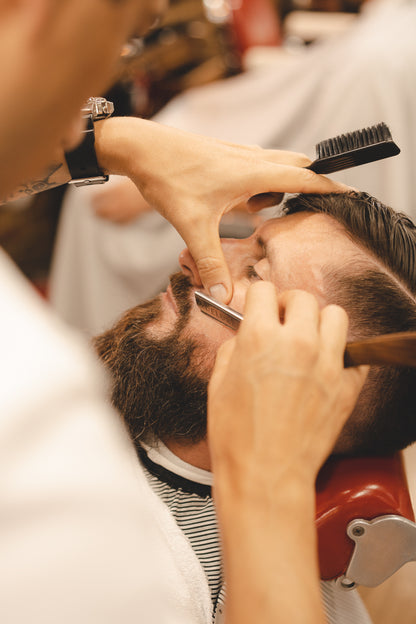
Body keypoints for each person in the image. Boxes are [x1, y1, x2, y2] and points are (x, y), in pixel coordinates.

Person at [0, 1, 364, 622]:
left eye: (256, 268)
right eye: (124, 39)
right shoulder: (48, 451)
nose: (197, 255)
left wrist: (113, 145)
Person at [94, 190, 416, 622]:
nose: (191, 255)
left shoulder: (159, 587)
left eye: (255, 273)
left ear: (313, 381)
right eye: (245, 239)